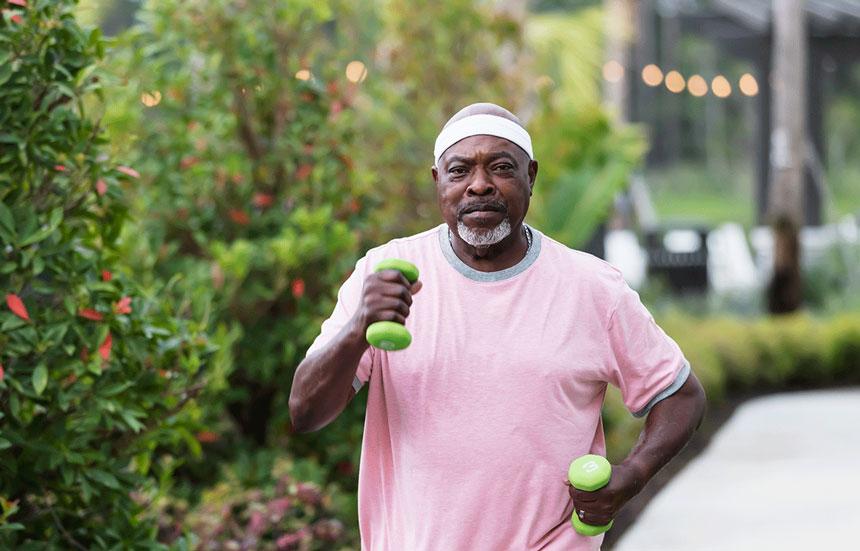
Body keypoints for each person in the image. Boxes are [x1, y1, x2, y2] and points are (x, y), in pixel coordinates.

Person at [289, 102, 707, 550]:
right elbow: (305, 412)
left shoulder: (592, 288)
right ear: (438, 182)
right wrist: (358, 329)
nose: (480, 185)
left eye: (501, 168)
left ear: (532, 176)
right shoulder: (387, 274)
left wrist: (634, 474)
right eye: (460, 171)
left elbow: (680, 394)